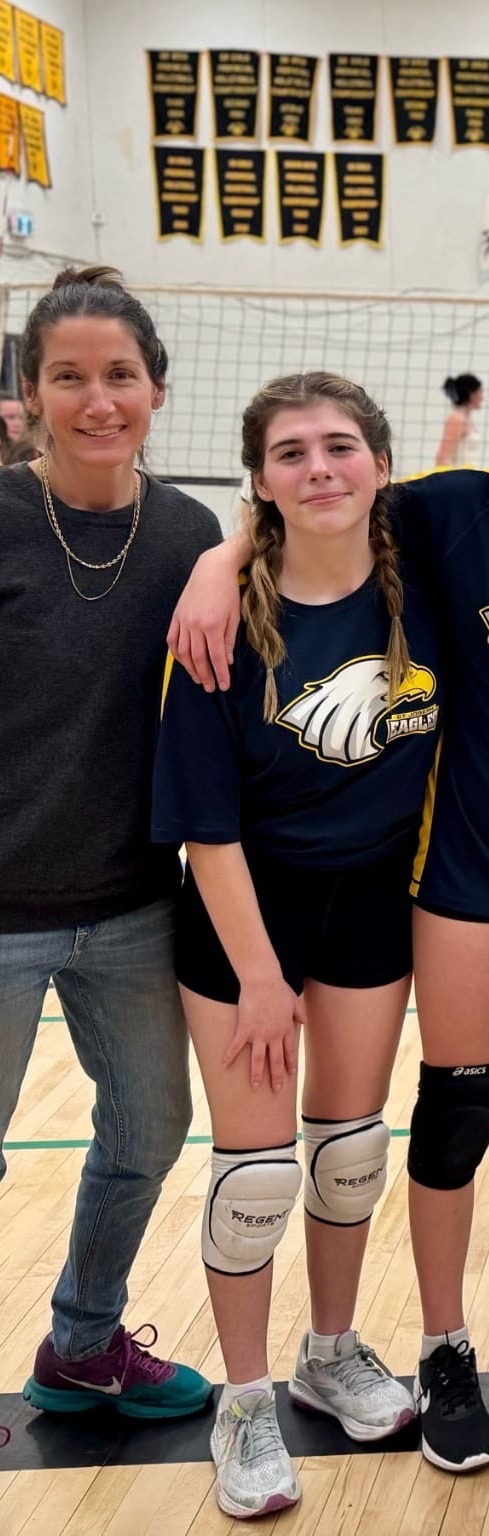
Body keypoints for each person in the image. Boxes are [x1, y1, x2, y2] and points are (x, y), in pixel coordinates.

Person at [171, 334, 489, 1467]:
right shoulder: (457, 514)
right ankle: (444, 1344)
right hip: (458, 863)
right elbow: (308, 509)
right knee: (454, 1108)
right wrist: (217, 561)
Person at [154, 373, 433, 1517]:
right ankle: (248, 1400)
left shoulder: (428, 581)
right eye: (289, 453)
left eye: (339, 446)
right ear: (258, 482)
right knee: (257, 1174)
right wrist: (263, 980)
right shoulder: (220, 628)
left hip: (373, 902)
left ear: (377, 461)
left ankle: (329, 1349)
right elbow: (205, 830)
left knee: (349, 1150)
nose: (319, 468)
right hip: (243, 915)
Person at [0, 268, 217, 1422]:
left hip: (134, 903)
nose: (97, 400)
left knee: (147, 1131)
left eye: (118, 375)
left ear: (157, 389)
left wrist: (229, 557)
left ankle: (84, 1342)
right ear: (28, 394)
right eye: (69, 377)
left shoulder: (189, 530)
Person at [434, 372, 482, 468]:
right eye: (480, 392)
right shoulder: (457, 419)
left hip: (470, 476)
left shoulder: (467, 418)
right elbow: (441, 458)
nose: (482, 398)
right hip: (458, 478)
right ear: (471, 394)